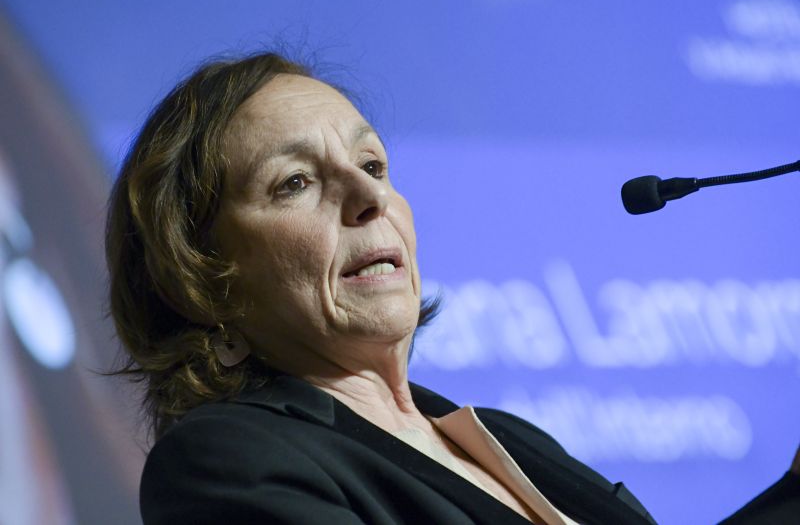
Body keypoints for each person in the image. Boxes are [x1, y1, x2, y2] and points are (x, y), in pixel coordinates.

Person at [106, 52, 799, 525]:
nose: (370, 196)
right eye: (296, 182)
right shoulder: (225, 461)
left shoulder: (507, 439)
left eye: (372, 163)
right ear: (203, 281)